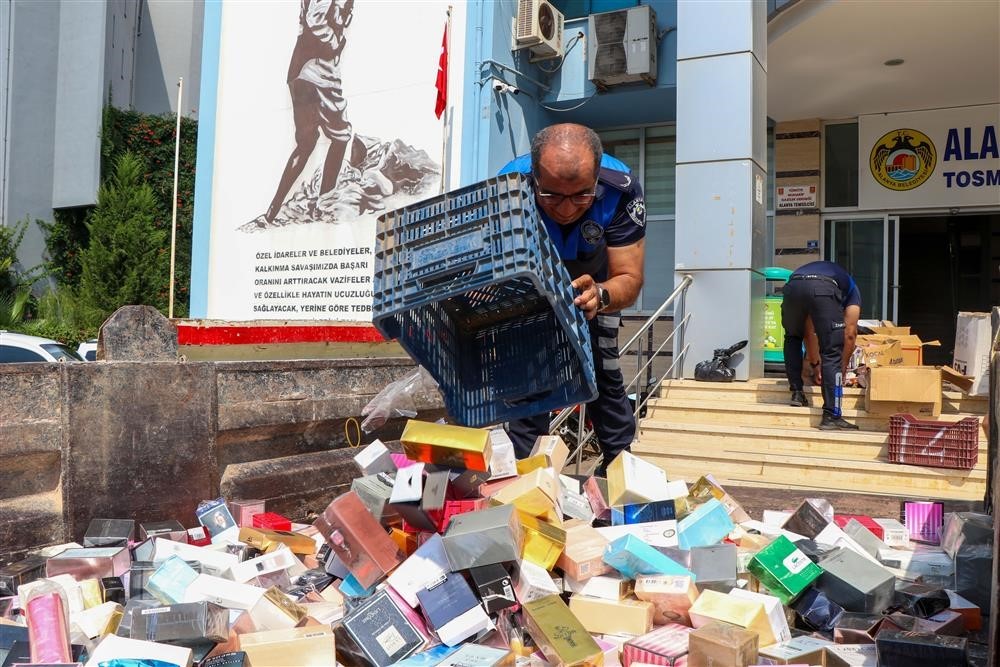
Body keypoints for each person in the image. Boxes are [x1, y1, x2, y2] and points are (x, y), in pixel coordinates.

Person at [498, 123, 646, 476]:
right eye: (550, 196)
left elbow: (629, 276)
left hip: (594, 281)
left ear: (596, 179)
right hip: (530, 283)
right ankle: (527, 479)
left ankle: (620, 473)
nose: (565, 209)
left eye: (581, 195)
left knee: (602, 376)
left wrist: (602, 294)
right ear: (534, 179)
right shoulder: (506, 189)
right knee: (527, 381)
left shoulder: (621, 189)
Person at [251, 0, 355, 227]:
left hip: (301, 72)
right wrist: (335, 41)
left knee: (306, 143)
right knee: (341, 136)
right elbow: (315, 19)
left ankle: (273, 210)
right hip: (318, 71)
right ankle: (324, 204)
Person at [781, 260, 861, 430]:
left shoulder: (825, 275)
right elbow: (850, 333)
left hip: (792, 286)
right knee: (832, 351)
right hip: (822, 288)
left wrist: (816, 364)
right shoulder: (853, 290)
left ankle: (797, 393)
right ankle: (831, 415)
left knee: (793, 336)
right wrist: (842, 367)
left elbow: (808, 331)